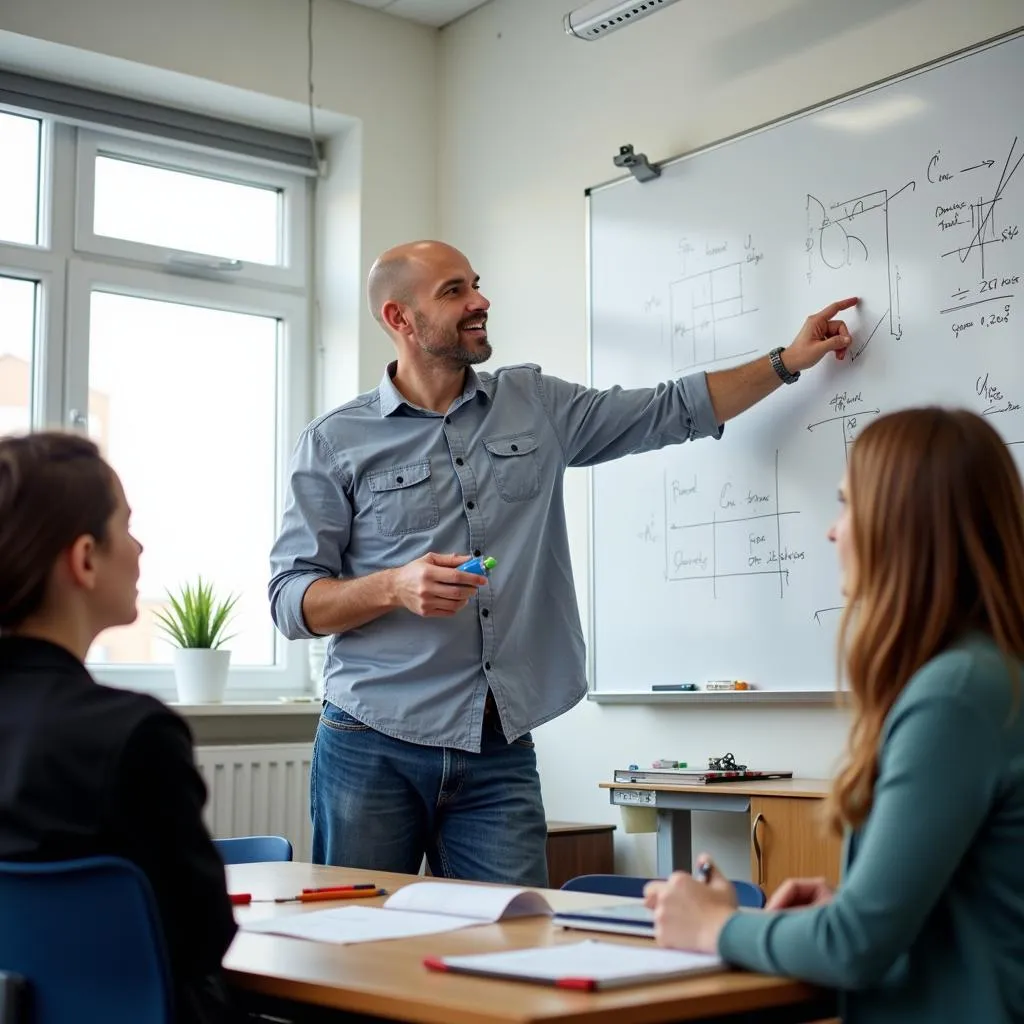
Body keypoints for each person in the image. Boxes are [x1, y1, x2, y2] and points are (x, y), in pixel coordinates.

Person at [269, 239, 857, 884]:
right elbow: (291, 601)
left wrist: (785, 361)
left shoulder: (535, 405)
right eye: (454, 291)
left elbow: (669, 409)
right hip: (370, 742)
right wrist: (391, 586)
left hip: (498, 744)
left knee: (514, 950)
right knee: (360, 947)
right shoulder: (334, 441)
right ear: (399, 319)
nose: (480, 301)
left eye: (475, 284)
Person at [643, 407, 1024, 1023]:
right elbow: (951, 908)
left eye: (847, 505)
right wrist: (844, 908)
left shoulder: (956, 696)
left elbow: (855, 949)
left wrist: (716, 927)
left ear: (901, 527)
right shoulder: (981, 676)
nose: (832, 531)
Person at [0, 432, 238, 1024]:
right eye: (125, 526)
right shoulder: (135, 734)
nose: (138, 546)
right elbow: (203, 938)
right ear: (84, 559)